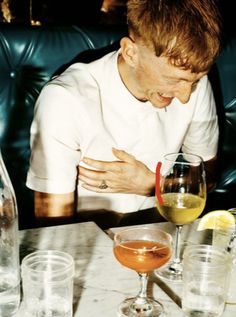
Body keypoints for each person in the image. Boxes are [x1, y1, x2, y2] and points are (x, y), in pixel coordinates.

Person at [26, 0, 222, 228]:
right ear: (130, 53)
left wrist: (155, 185)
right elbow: (54, 227)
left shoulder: (193, 80)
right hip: (89, 239)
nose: (186, 96)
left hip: (163, 230)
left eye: (194, 82)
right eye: (173, 80)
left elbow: (208, 175)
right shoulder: (65, 99)